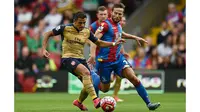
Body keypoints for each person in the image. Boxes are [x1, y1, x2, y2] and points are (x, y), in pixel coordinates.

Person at [42, 11, 125, 110]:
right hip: (68, 58)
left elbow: (99, 42)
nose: (82, 25)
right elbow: (47, 34)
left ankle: (79, 102)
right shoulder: (65, 28)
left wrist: (113, 44)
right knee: (86, 72)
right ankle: (96, 99)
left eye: (84, 23)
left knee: (89, 84)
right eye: (80, 22)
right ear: (74, 21)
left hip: (81, 59)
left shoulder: (86, 32)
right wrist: (44, 49)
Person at [88, 3, 160, 110]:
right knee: (105, 89)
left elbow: (122, 34)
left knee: (133, 78)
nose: (118, 16)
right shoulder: (105, 25)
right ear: (111, 12)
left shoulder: (118, 25)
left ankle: (149, 104)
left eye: (120, 14)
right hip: (105, 62)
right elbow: (94, 40)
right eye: (116, 13)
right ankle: (93, 76)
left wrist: (135, 37)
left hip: (118, 60)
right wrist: (92, 55)